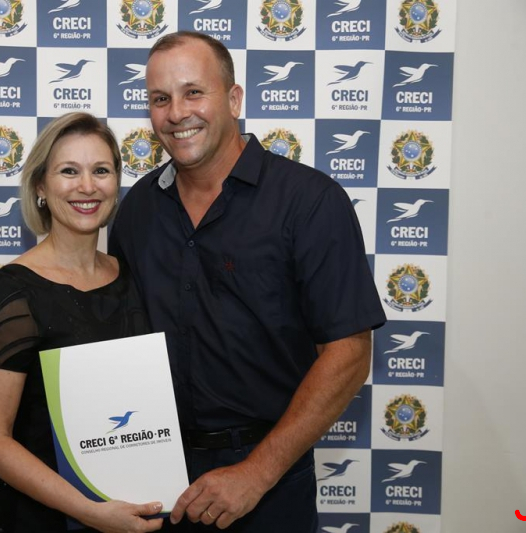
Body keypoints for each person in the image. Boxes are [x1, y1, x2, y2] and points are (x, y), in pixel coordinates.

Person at [108, 32, 387, 532]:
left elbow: (349, 353)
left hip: (268, 481)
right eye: (160, 99)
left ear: (234, 99)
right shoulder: (137, 210)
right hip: (156, 476)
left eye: (194, 92)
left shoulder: (310, 201)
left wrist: (256, 473)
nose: (177, 113)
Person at [0, 112, 164, 533]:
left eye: (101, 171)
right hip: (35, 520)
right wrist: (88, 511)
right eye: (69, 171)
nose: (87, 186)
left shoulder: (132, 278)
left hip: (123, 511)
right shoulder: (10, 293)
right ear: (41, 185)